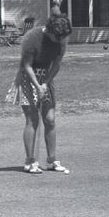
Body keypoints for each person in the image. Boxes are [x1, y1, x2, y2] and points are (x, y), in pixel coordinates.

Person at [15, 9, 72, 174]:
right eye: (58, 37)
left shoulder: (62, 38)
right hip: (27, 76)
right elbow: (26, 65)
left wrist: (45, 83)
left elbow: (57, 63)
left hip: (46, 77)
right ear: (50, 31)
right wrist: (37, 86)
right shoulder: (32, 37)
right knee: (32, 119)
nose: (61, 41)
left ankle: (52, 160)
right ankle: (30, 161)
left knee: (50, 119)